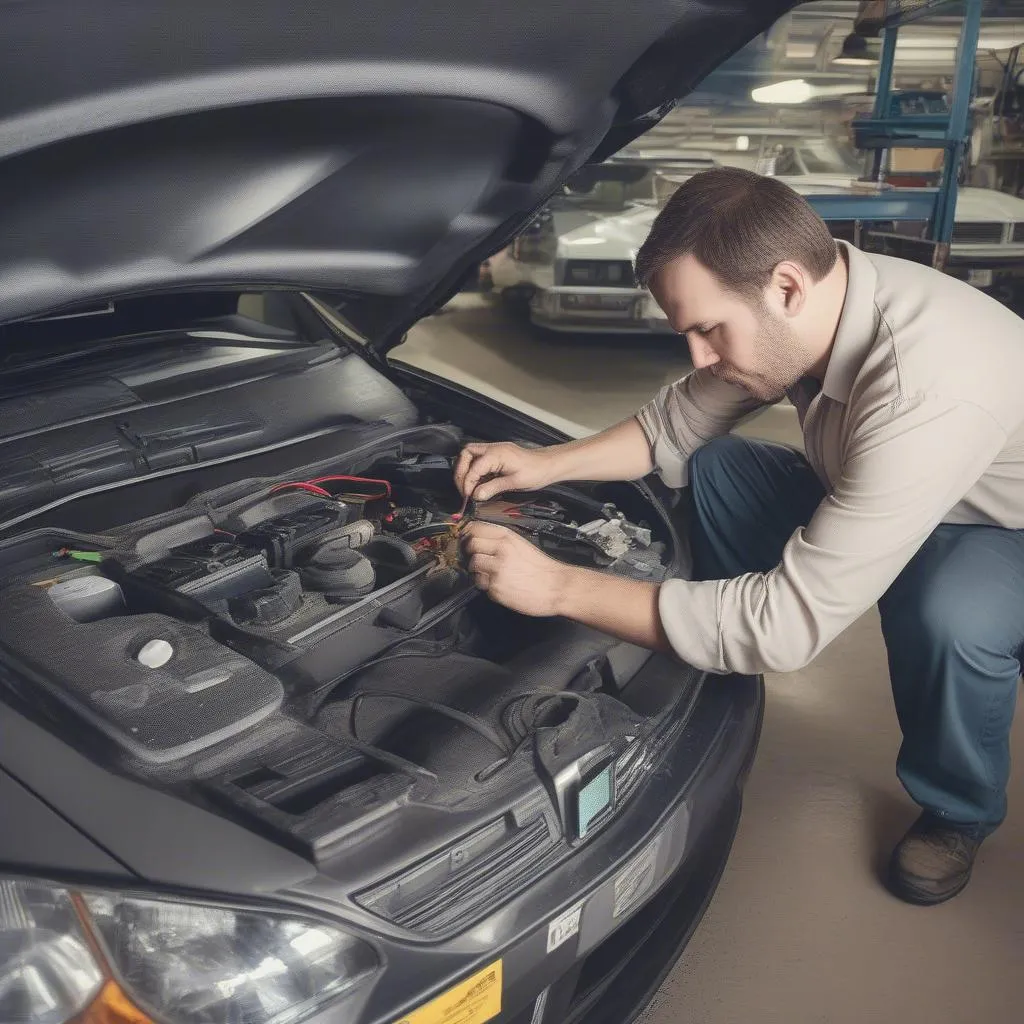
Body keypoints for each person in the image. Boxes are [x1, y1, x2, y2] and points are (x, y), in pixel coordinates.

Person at [455, 166, 1024, 907]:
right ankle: (714, 667)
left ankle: (958, 810)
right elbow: (672, 426)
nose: (698, 357)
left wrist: (559, 586)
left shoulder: (927, 383)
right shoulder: (810, 305)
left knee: (947, 612)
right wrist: (542, 465)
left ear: (786, 286)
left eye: (707, 329)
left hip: (996, 523)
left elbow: (788, 630)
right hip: (880, 479)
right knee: (719, 464)